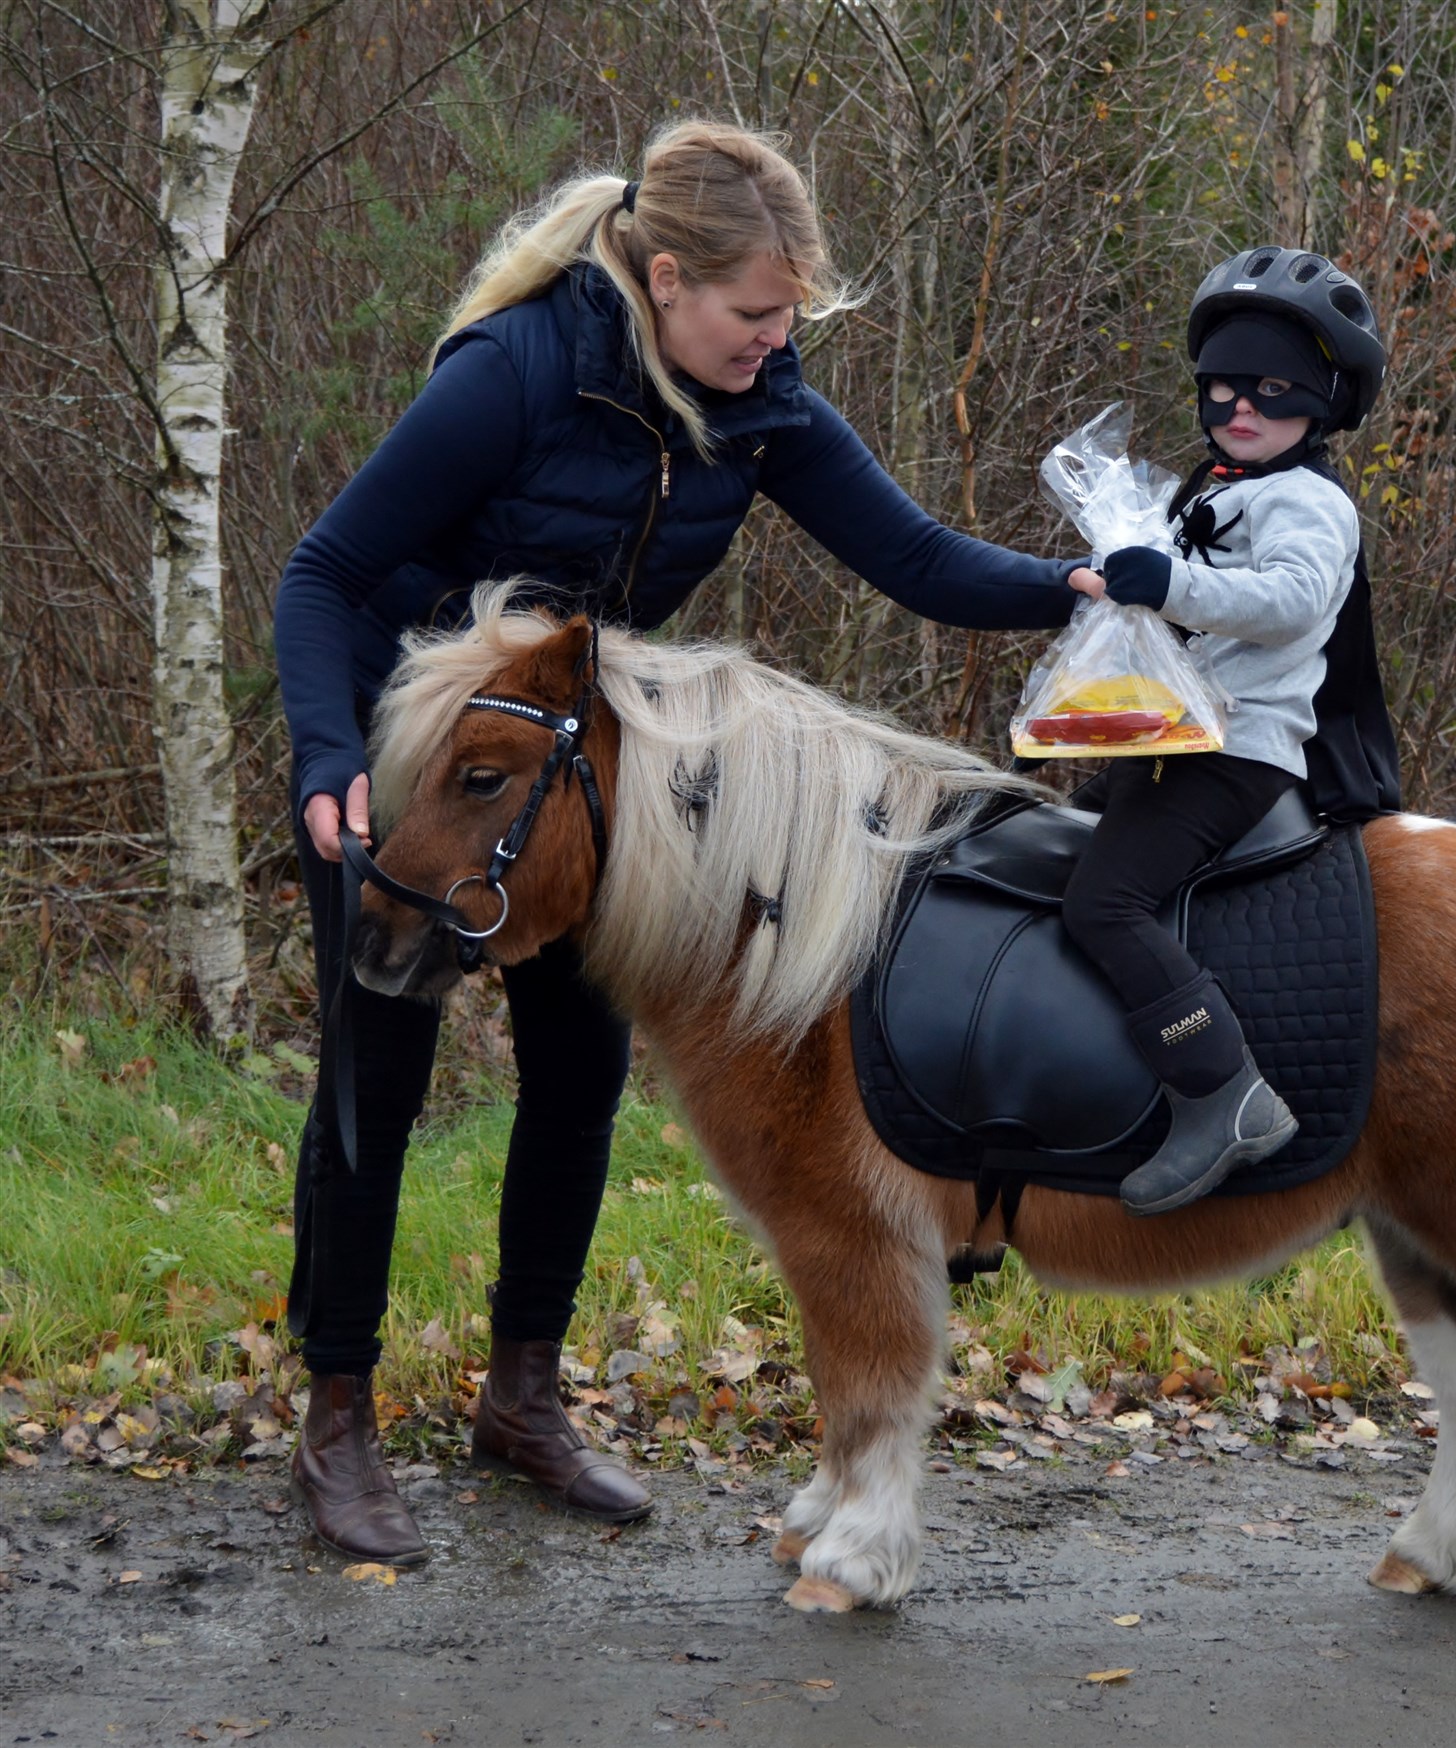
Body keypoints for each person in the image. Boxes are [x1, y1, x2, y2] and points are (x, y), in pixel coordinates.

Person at [273, 120, 1087, 1565]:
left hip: (582, 792)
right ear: (663, 280)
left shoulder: (762, 402)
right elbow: (324, 571)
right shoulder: (513, 371)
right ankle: (337, 1415)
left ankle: (523, 1396)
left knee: (579, 1081)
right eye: (756, 313)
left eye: (790, 318)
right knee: (375, 1088)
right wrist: (333, 760)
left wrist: (1082, 586)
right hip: (415, 770)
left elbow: (914, 560)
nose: (777, 342)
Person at [1061, 245, 1396, 1218]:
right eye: (1220, 389)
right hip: (1166, 737)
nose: (1240, 406)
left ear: (1323, 402)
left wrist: (1166, 582)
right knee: (1044, 861)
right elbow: (1167, 599)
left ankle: (1223, 1088)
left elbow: (1288, 602)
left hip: (1234, 751)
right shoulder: (1210, 491)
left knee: (1105, 902)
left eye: (1271, 390)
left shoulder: (1310, 503)